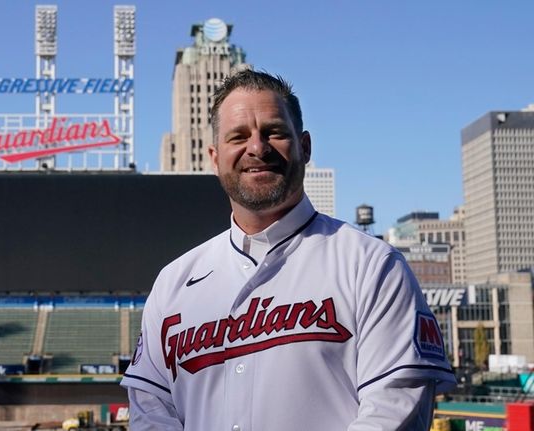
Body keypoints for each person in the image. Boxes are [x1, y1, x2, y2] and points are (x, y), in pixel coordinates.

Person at [120, 69, 456, 430]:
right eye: (238, 136)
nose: (257, 148)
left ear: (305, 147)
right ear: (214, 158)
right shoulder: (173, 282)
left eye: (274, 132)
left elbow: (394, 411)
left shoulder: (372, 265)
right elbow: (150, 413)